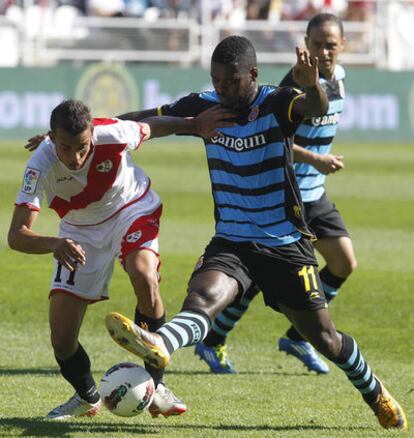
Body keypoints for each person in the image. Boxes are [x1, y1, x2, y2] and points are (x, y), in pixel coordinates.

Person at [105, 35, 408, 431]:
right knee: (203, 298)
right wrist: (89, 138)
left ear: (253, 74)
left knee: (325, 338)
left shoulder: (277, 101)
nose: (222, 90)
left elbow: (314, 106)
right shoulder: (205, 106)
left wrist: (310, 84)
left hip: (284, 242)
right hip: (232, 239)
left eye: (230, 82)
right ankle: (161, 343)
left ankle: (375, 392)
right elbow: (136, 123)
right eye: (216, 81)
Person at [8, 99, 233, 420]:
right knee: (61, 339)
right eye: (66, 147)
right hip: (78, 231)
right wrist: (54, 242)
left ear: (92, 136)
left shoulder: (113, 134)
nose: (75, 157)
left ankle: (157, 386)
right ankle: (86, 397)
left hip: (130, 208)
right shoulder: (39, 164)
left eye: (83, 147)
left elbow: (153, 126)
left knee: (143, 274)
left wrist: (195, 125)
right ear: (51, 138)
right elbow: (16, 235)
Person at [195, 13, 354, 376]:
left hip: (315, 192)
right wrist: (316, 158)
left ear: (343, 46)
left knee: (344, 262)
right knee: (257, 276)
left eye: (331, 45)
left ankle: (295, 338)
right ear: (306, 44)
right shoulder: (294, 85)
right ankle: (214, 339)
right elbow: (277, 136)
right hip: (287, 194)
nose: (324, 51)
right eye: (317, 44)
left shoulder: (339, 79)